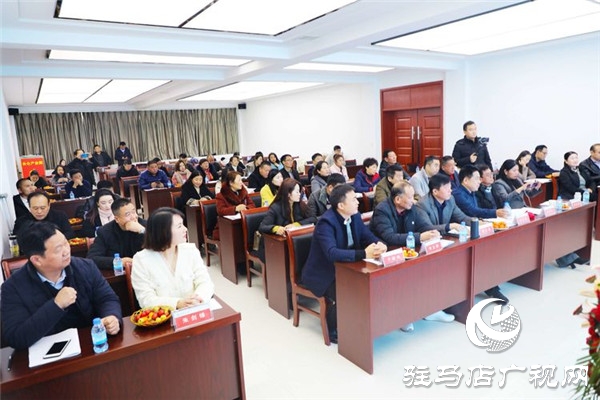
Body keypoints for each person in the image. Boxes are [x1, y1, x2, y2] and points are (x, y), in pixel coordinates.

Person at [0, 221, 122, 349]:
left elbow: (107, 298)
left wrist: (111, 316)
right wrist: (56, 305)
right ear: (37, 260)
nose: (66, 251)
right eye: (58, 249)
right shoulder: (13, 288)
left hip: (91, 345)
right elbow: (15, 337)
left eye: (65, 243)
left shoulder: (85, 267)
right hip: (47, 354)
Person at [301, 184, 387, 343]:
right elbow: (331, 253)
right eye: (353, 199)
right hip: (324, 273)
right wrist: (364, 254)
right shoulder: (326, 223)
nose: (358, 202)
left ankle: (362, 320)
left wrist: (380, 244)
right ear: (341, 205)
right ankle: (333, 329)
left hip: (347, 266)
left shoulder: (354, 216)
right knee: (346, 291)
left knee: (372, 284)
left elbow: (367, 236)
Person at [131, 207, 214, 310]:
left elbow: (205, 282)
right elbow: (146, 300)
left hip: (195, 310)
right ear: (163, 231)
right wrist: (177, 303)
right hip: (164, 316)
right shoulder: (141, 260)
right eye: (179, 226)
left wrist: (198, 298)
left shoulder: (190, 250)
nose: (185, 229)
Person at [371, 181, 440, 247]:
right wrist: (420, 237)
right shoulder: (382, 211)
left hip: (407, 247)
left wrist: (432, 232)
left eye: (413, 196)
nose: (413, 201)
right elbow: (389, 237)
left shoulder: (410, 207)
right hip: (387, 249)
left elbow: (422, 225)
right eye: (410, 197)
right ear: (398, 199)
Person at [87, 197, 146, 270]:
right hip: (119, 273)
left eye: (134, 212)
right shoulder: (105, 232)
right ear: (117, 219)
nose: (133, 217)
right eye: (127, 214)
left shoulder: (145, 225)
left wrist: (142, 231)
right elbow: (92, 258)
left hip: (144, 270)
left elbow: (158, 248)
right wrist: (119, 261)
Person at [215, 171, 256, 239]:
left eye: (241, 180)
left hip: (243, 221)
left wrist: (245, 208)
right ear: (231, 183)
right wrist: (235, 209)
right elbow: (220, 211)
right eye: (239, 180)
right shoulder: (221, 195)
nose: (241, 183)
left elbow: (252, 205)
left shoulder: (244, 192)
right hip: (226, 226)